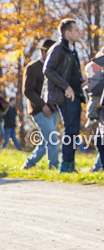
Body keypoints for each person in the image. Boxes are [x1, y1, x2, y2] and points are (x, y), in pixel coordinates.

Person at [43, 18, 86, 173]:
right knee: (70, 129)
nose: (78, 32)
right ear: (67, 33)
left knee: (74, 129)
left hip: (75, 95)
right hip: (64, 96)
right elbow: (47, 70)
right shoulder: (58, 48)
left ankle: (70, 164)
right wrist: (66, 86)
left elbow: (70, 73)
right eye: (75, 30)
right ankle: (65, 165)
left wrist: (82, 80)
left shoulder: (72, 49)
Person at [22, 39, 58, 169]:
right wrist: (43, 105)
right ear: (43, 52)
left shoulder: (54, 68)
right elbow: (28, 91)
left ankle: (28, 165)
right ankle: (54, 166)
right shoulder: (33, 67)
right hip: (39, 110)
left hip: (53, 109)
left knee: (45, 142)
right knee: (53, 138)